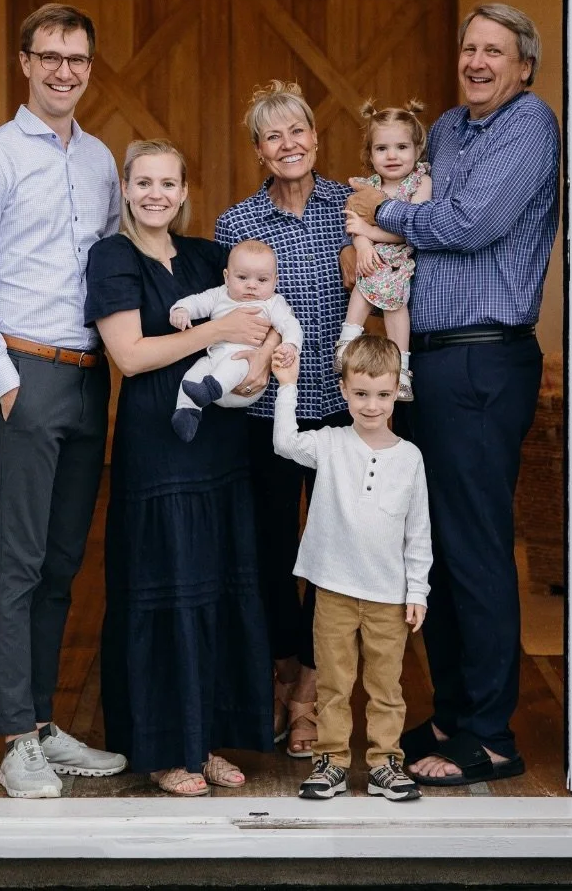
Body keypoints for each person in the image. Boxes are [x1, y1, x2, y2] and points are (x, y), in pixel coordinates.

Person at [345, 3, 560, 787]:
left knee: (474, 549)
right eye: (468, 47)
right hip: (425, 362)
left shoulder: (529, 125)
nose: (477, 60)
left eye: (494, 51)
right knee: (429, 553)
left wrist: (379, 211)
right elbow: (409, 221)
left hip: (482, 362)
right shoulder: (445, 127)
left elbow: (467, 223)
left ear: (523, 66)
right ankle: (454, 710)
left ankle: (492, 736)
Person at [0, 2, 127, 800]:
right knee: (16, 562)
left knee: (60, 565)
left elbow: (118, 265)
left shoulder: (100, 160)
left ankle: (46, 724)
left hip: (90, 375)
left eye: (77, 58)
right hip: (23, 373)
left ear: (90, 66)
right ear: (24, 61)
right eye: (49, 56)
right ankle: (17, 738)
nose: (63, 71)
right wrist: (5, 383)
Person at [86, 139, 274, 796]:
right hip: (157, 450)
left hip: (221, 447)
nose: (156, 193)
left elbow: (264, 315)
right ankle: (166, 750)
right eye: (144, 182)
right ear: (126, 189)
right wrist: (215, 335)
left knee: (216, 591)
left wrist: (255, 368)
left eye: (168, 182)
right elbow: (132, 356)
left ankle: (206, 743)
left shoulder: (208, 258)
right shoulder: (112, 258)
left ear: (185, 189)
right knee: (165, 592)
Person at [215, 81, 353, 760]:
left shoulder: (350, 210)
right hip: (265, 413)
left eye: (298, 130)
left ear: (316, 138)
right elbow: (230, 318)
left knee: (330, 553)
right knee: (269, 553)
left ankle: (310, 693)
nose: (289, 144)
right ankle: (276, 672)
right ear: (258, 151)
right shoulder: (237, 223)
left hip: (341, 410)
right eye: (274, 136)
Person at [271, 335, 431, 802]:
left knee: (386, 686)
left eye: (383, 394)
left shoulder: (410, 458)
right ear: (343, 390)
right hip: (334, 591)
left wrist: (417, 591)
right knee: (334, 684)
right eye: (361, 394)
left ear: (397, 390)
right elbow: (283, 442)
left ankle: (385, 762)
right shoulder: (330, 444)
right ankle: (332, 761)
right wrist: (287, 385)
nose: (372, 405)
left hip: (388, 595)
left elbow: (417, 532)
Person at [334, 100, 432, 402]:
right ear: (370, 154)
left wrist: (368, 233)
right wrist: (362, 247)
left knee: (396, 307)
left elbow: (410, 228)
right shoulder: (367, 186)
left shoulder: (420, 183)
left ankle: (401, 370)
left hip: (399, 264)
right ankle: (347, 341)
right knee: (360, 290)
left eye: (402, 147)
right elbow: (353, 220)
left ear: (417, 150)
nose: (392, 156)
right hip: (372, 260)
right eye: (382, 149)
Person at [168, 239, 303, 442]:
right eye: (242, 277)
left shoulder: (273, 302)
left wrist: (290, 345)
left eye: (262, 280)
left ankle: (209, 389)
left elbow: (290, 324)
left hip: (247, 375)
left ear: (276, 281)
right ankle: (188, 412)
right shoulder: (219, 294)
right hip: (214, 363)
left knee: (236, 362)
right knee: (194, 372)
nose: (251, 285)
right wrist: (181, 310)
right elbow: (196, 301)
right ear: (226, 276)